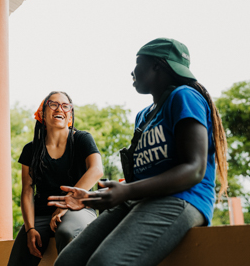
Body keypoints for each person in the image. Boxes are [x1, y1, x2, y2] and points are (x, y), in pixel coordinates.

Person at [48, 38, 228, 266]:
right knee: (68, 261)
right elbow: (143, 178)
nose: (132, 71)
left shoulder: (184, 96)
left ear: (157, 65)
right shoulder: (144, 116)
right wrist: (95, 198)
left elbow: (194, 170)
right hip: (139, 200)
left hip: (183, 198)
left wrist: (126, 191)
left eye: (137, 63)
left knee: (105, 263)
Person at [7, 91, 103, 266]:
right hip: (42, 213)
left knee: (67, 233)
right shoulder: (31, 150)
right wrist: (30, 229)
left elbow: (96, 170)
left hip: (78, 208)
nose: (60, 109)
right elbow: (27, 190)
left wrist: (66, 203)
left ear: (70, 114)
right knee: (19, 256)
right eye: (54, 104)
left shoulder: (82, 139)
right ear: (42, 113)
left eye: (65, 106)